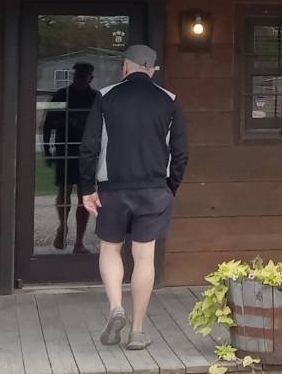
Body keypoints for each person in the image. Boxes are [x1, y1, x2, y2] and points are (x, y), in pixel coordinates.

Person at [79, 44, 188, 350]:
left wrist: (87, 188)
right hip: (154, 189)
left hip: (113, 188)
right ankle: (138, 331)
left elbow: (89, 147)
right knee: (144, 257)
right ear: (151, 69)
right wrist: (170, 188)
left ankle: (116, 307)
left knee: (110, 248)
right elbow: (180, 153)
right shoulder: (170, 100)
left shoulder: (105, 96)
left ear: (125, 67)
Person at [41, 61, 97, 253]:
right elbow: (47, 124)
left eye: (83, 75)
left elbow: (102, 126)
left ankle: (79, 242)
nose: (80, 78)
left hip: (87, 153)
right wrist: (47, 149)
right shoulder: (61, 95)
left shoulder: (95, 98)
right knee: (64, 191)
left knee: (84, 197)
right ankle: (62, 226)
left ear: (90, 77)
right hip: (65, 150)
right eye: (77, 75)